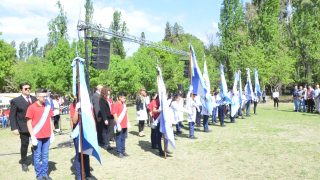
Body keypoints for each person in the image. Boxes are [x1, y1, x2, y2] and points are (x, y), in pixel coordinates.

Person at [26, 89, 54, 180]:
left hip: (47, 135)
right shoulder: (31, 107)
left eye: (46, 96)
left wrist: (52, 132)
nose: (45, 98)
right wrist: (32, 136)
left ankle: (45, 173)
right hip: (37, 136)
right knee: (37, 156)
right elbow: (29, 122)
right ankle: (39, 175)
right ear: (37, 97)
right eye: (43, 96)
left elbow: (50, 120)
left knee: (45, 155)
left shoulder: (48, 106)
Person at [9, 82, 37, 172]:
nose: (28, 89)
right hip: (23, 127)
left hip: (35, 127)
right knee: (24, 145)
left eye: (29, 88)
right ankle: (24, 162)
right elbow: (12, 116)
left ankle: (35, 159)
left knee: (35, 144)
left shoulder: (35, 99)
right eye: (26, 88)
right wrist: (14, 128)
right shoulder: (16, 101)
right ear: (21, 90)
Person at [69, 96, 93, 180]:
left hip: (87, 132)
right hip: (78, 133)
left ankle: (88, 174)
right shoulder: (73, 105)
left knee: (86, 154)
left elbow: (92, 118)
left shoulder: (87, 104)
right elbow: (74, 121)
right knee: (79, 155)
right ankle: (79, 176)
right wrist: (76, 109)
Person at [112, 92, 129, 158]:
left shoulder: (123, 104)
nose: (125, 99)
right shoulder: (116, 104)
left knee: (123, 138)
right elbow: (114, 114)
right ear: (119, 97)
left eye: (125, 98)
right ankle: (119, 152)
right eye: (124, 97)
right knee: (119, 138)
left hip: (124, 123)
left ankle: (123, 150)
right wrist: (118, 124)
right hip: (119, 123)